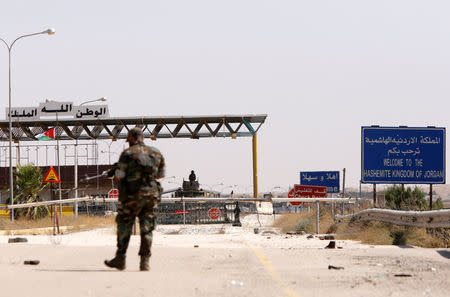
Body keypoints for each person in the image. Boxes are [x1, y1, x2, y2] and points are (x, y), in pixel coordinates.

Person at [105, 127, 165, 271]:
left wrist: (115, 169)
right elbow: (160, 175)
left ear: (131, 138)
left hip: (132, 195)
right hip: (151, 195)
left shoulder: (128, 153)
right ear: (142, 138)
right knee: (147, 227)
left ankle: (121, 258)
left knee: (124, 224)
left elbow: (119, 176)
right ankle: (145, 262)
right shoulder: (156, 153)